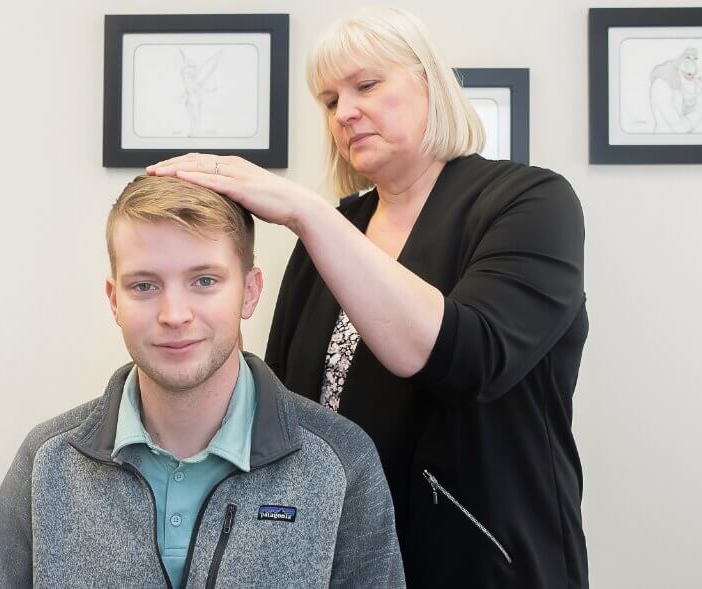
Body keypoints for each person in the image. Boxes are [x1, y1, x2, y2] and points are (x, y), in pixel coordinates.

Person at [146, 6, 590, 588]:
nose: (346, 112)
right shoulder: (333, 230)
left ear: (429, 83)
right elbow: (284, 405)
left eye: (367, 85)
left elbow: (467, 357)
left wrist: (303, 211)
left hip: (480, 560)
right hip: (341, 557)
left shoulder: (529, 204)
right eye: (330, 100)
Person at [0, 176, 404, 588]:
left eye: (204, 281)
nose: (174, 314)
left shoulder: (343, 463)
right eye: (144, 285)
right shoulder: (45, 464)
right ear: (114, 301)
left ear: (250, 292)